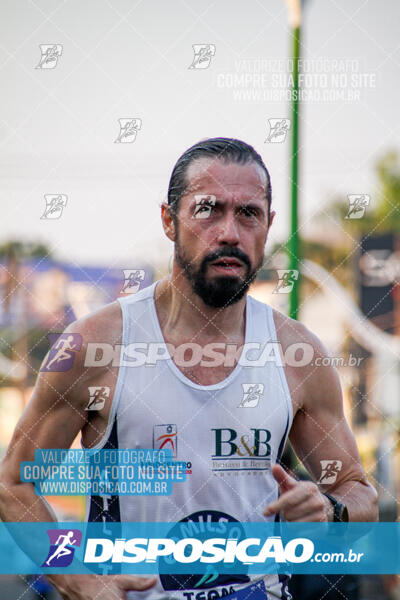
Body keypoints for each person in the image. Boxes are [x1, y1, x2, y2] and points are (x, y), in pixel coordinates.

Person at [0, 138, 378, 600]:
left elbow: (359, 493)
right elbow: (15, 484)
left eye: (249, 214)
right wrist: (76, 576)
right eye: (207, 209)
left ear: (269, 225)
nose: (229, 233)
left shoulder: (298, 353)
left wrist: (331, 510)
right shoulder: (95, 345)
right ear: (168, 220)